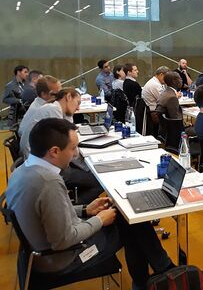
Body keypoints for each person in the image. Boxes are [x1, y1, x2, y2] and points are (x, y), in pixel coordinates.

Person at [6, 118, 175, 290]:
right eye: (73, 148)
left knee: (127, 217)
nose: (75, 154)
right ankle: (162, 274)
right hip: (66, 258)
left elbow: (46, 214)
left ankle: (161, 271)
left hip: (45, 252)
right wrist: (100, 220)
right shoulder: (49, 182)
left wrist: (86, 210)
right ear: (54, 151)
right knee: (132, 225)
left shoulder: (22, 170)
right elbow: (63, 241)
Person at [18, 87, 103, 204]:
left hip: (37, 160)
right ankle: (73, 206)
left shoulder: (53, 108)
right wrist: (89, 168)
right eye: (78, 103)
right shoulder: (53, 111)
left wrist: (69, 114)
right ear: (68, 97)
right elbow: (71, 150)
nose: (78, 108)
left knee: (85, 172)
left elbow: (69, 134)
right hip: (43, 166)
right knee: (99, 181)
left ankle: (71, 200)